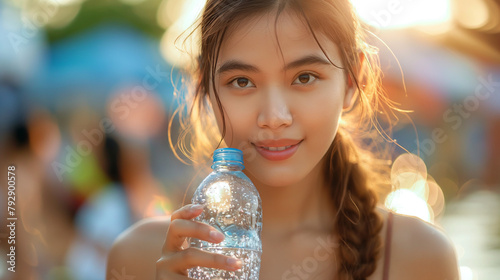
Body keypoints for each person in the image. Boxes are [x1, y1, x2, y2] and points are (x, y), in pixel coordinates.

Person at [106, 0, 459, 279]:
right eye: (242, 82)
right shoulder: (142, 258)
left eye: (304, 77)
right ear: (205, 89)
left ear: (353, 81)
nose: (275, 117)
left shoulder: (419, 257)